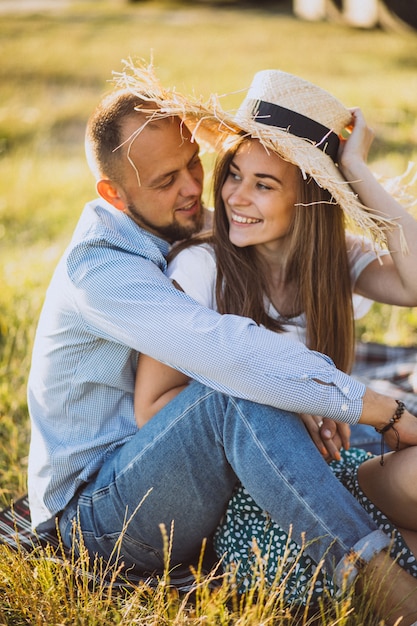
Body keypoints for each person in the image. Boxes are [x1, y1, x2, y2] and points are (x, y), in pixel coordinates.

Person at [27, 62, 417, 624]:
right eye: (167, 182)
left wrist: (351, 170)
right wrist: (369, 404)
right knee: (235, 393)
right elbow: (224, 354)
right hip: (97, 511)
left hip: (201, 474)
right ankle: (374, 580)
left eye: (194, 165)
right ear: (113, 194)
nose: (196, 191)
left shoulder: (197, 226)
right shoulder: (104, 271)